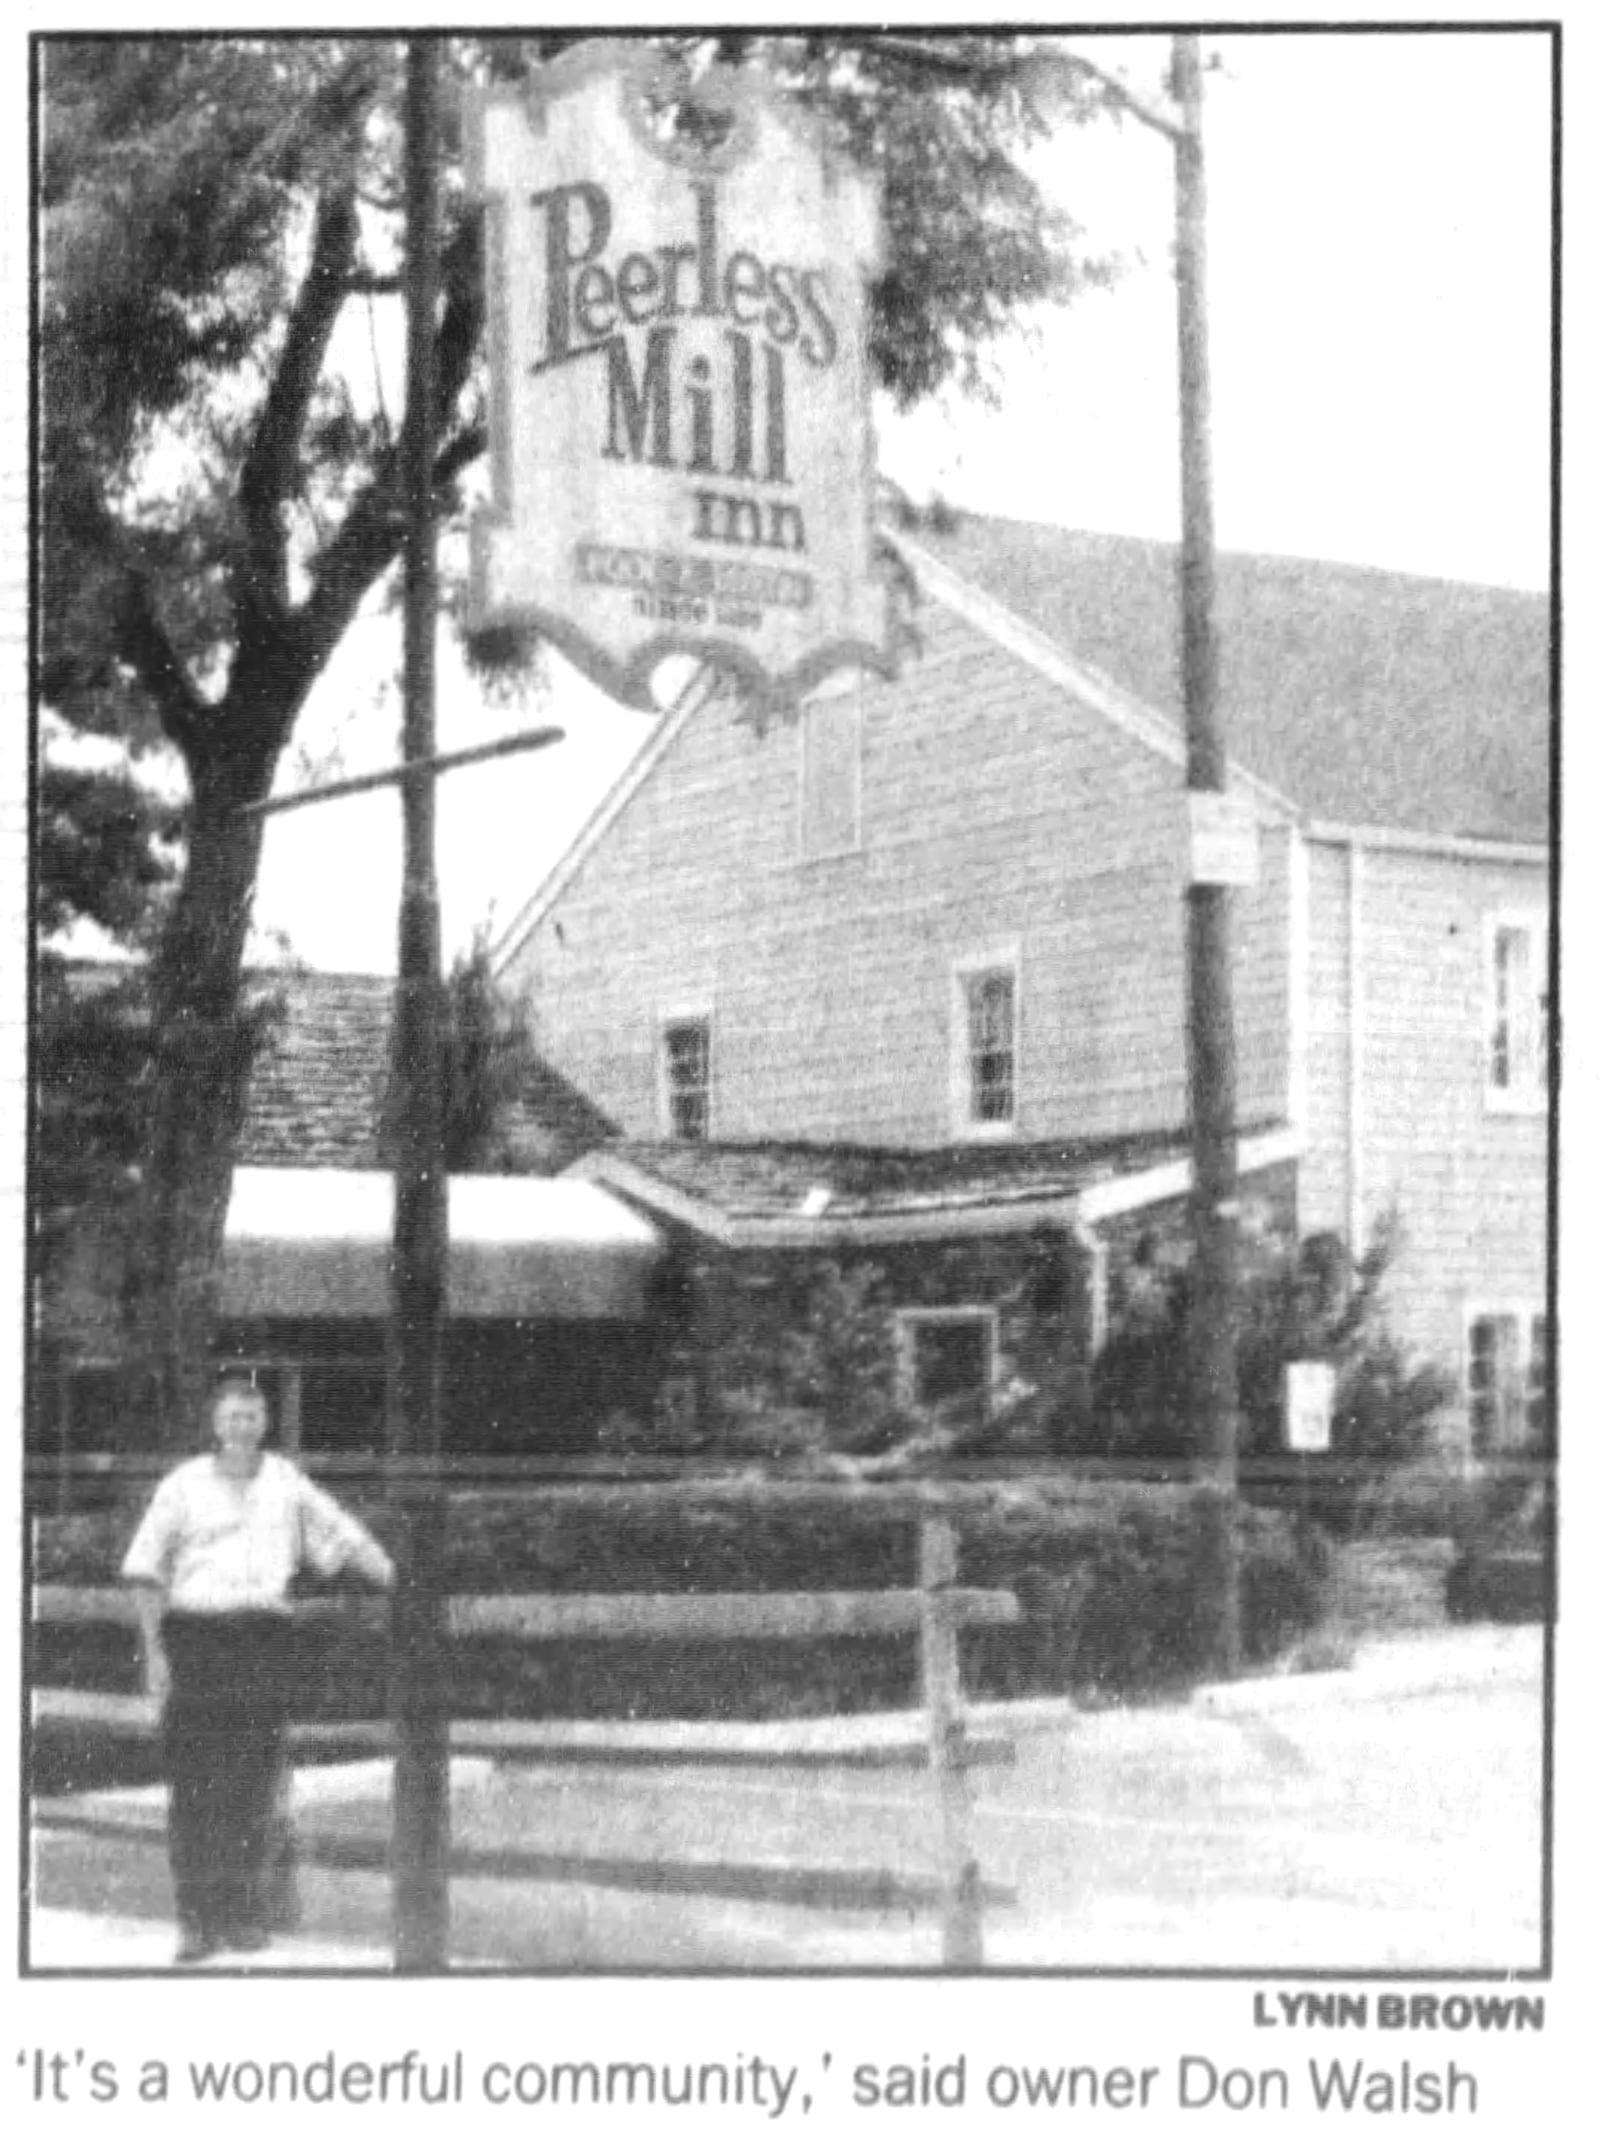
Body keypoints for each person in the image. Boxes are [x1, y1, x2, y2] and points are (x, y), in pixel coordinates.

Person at [122, 1375, 395, 1964]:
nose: (241, 1427)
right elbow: (144, 1570)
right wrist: (156, 1655)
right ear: (215, 1424)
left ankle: (243, 1914)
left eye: (251, 1416)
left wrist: (404, 1582)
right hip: (197, 1640)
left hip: (262, 1643)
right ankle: (196, 1922)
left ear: (264, 1422)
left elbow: (344, 1536)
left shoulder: (285, 1483)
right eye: (231, 1417)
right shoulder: (182, 1484)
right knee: (195, 1785)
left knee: (252, 1783)